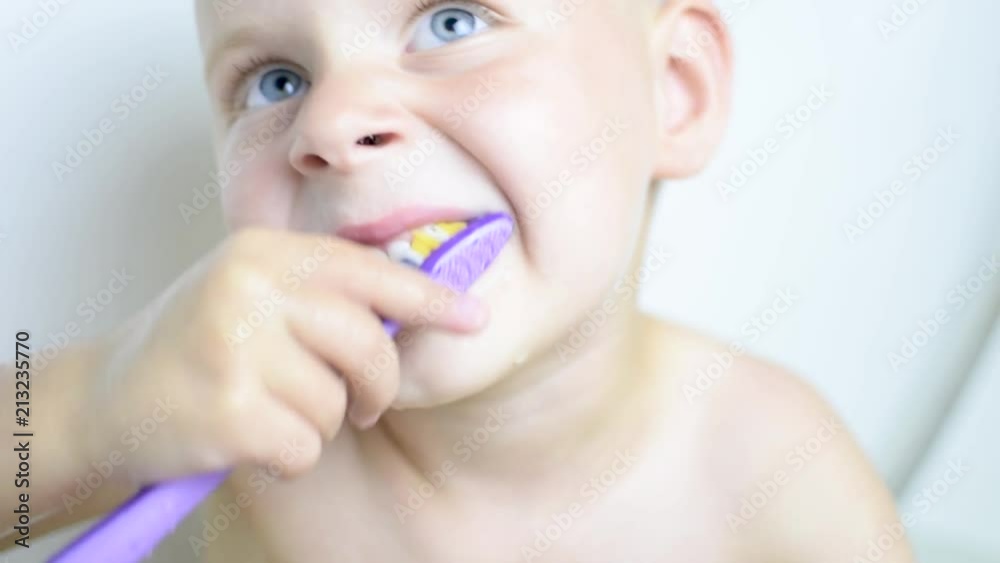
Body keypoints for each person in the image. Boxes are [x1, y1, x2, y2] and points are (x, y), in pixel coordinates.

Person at [1, 0, 914, 561]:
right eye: (276, 80)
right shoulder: (237, 425)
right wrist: (90, 408)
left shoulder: (773, 466)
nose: (332, 120)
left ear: (673, 88)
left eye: (452, 22)